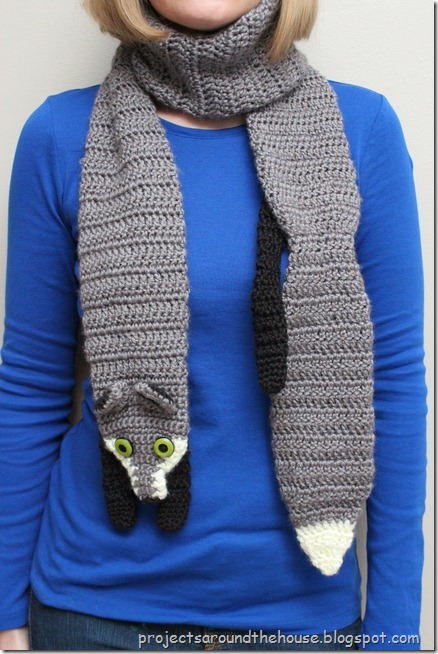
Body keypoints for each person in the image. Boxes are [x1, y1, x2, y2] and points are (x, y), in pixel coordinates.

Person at [0, 0, 428, 650]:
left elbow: (391, 386)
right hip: (92, 611)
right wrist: (5, 615)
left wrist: (394, 630)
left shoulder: (361, 129)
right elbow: (31, 386)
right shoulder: (61, 134)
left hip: (297, 614)